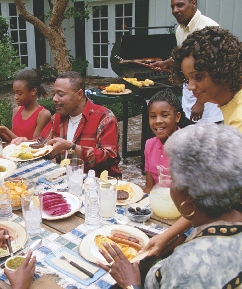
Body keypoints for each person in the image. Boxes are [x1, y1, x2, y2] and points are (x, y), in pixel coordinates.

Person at [97, 123, 242, 288]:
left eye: (172, 178)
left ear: (188, 200)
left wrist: (131, 284)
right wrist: (165, 237)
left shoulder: (188, 266)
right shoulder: (230, 214)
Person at [141, 25, 242, 261]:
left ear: (221, 70)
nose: (192, 87)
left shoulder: (238, 120)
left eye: (198, 77)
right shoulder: (229, 105)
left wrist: (169, 237)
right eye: (188, 79)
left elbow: (211, 197)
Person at [12, 71, 121, 177]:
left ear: (79, 94)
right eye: (54, 94)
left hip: (98, 185)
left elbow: (109, 159)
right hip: (66, 182)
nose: (54, 99)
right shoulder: (58, 118)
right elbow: (43, 144)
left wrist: (72, 147)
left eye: (60, 94)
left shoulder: (105, 118)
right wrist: (26, 144)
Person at [150, 0, 223, 124]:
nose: (175, 11)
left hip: (208, 99)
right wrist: (166, 63)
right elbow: (184, 57)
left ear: (193, 3)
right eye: (172, 7)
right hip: (190, 92)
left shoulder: (208, 27)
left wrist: (200, 103)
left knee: (207, 139)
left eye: (180, 5)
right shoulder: (180, 29)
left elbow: (214, 70)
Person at [144, 89, 182, 194]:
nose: (158, 121)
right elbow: (149, 188)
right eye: (153, 116)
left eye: (164, 115)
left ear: (177, 117)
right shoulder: (149, 145)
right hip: (158, 201)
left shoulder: (187, 147)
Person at [0, 70, 51, 142]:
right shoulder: (16, 110)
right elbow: (12, 141)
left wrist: (5, 130)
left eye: (19, 93)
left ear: (33, 91)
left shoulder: (43, 115)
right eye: (14, 93)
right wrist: (1, 132)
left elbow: (34, 144)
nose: (15, 97)